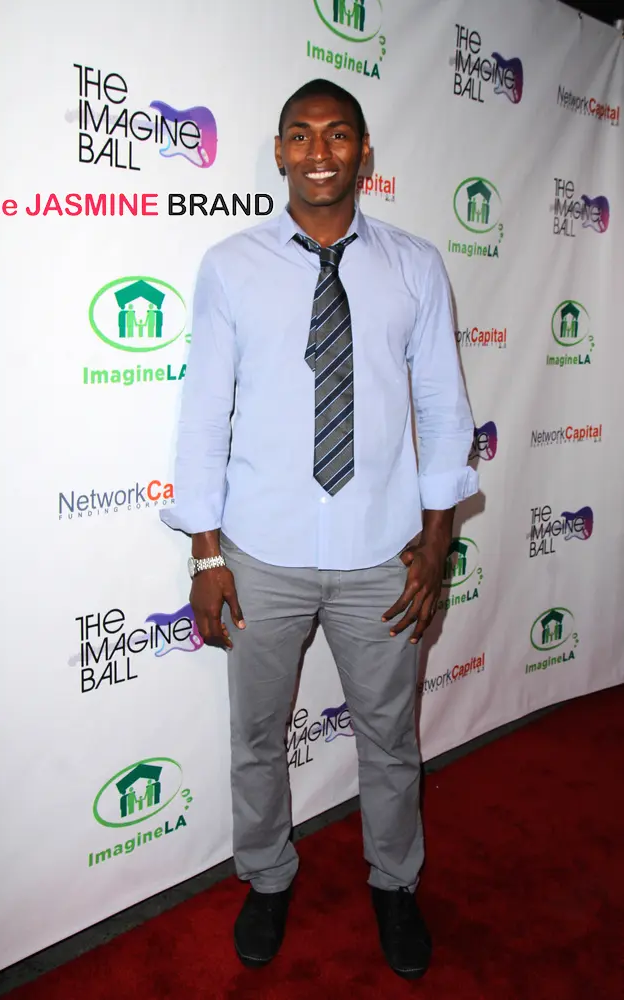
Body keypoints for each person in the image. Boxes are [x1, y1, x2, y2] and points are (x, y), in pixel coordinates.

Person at [162, 78, 478, 980]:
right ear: (279, 152)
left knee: (391, 738)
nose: (319, 152)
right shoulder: (231, 266)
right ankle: (266, 877)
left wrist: (437, 541)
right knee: (257, 736)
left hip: (384, 553)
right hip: (260, 552)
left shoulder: (415, 265)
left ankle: (395, 883)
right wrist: (206, 553)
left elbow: (442, 408)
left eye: (338, 135)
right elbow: (203, 415)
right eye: (300, 135)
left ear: (364, 151)